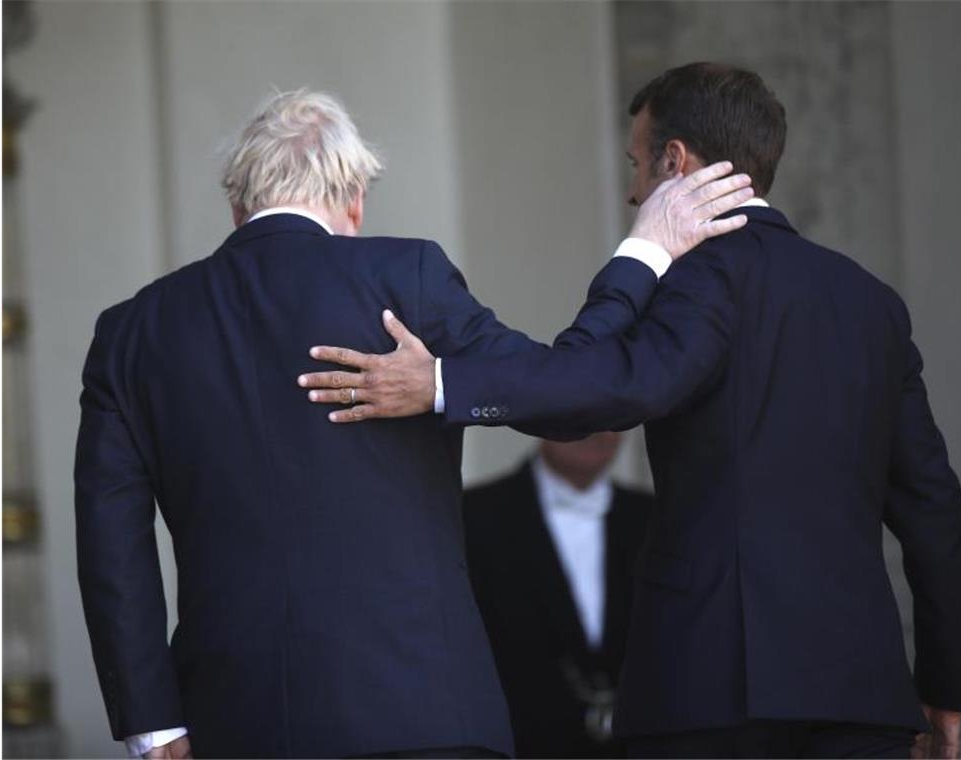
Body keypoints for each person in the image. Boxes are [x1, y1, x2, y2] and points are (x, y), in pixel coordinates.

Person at [300, 63, 961, 759]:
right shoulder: (871, 303)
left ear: (675, 161)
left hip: (711, 691)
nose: (633, 190)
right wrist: (949, 679)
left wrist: (445, 380)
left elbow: (600, 388)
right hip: (860, 694)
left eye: (636, 164)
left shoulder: (695, 278)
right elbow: (932, 505)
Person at [73, 88, 753, 758]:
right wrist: (646, 253)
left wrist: (153, 726)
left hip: (233, 724)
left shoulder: (133, 332)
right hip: (422, 717)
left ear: (237, 204)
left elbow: (112, 546)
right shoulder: (406, 277)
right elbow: (572, 398)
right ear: (354, 200)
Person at [463, 432, 652, 758]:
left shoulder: (655, 517)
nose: (594, 430)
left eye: (609, 416)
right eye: (579, 413)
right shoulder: (473, 515)